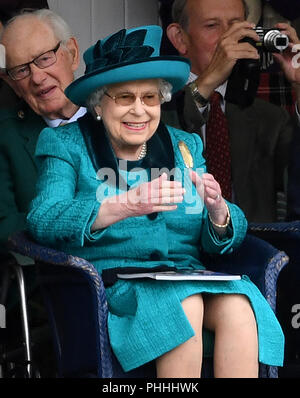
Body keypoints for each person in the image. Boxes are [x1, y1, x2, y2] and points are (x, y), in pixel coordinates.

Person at [27, 25, 284, 377]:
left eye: (150, 98)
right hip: (111, 287)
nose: (140, 111)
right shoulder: (66, 145)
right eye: (125, 98)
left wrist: (219, 213)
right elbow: (44, 218)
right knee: (186, 305)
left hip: (189, 275)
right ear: (99, 103)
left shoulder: (184, 147)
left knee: (239, 306)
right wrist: (126, 204)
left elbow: (223, 233)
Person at [161, 0, 297, 223]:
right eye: (212, 26)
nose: (228, 39)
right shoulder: (151, 107)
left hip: (253, 249)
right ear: (180, 38)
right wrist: (209, 81)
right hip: (177, 252)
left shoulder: (270, 119)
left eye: (236, 26)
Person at [0, 9, 85, 251]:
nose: (37, 78)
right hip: (53, 274)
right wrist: (77, 223)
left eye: (45, 58)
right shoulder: (5, 136)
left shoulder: (120, 117)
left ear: (72, 53)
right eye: (21, 70)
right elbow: (3, 226)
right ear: (12, 84)